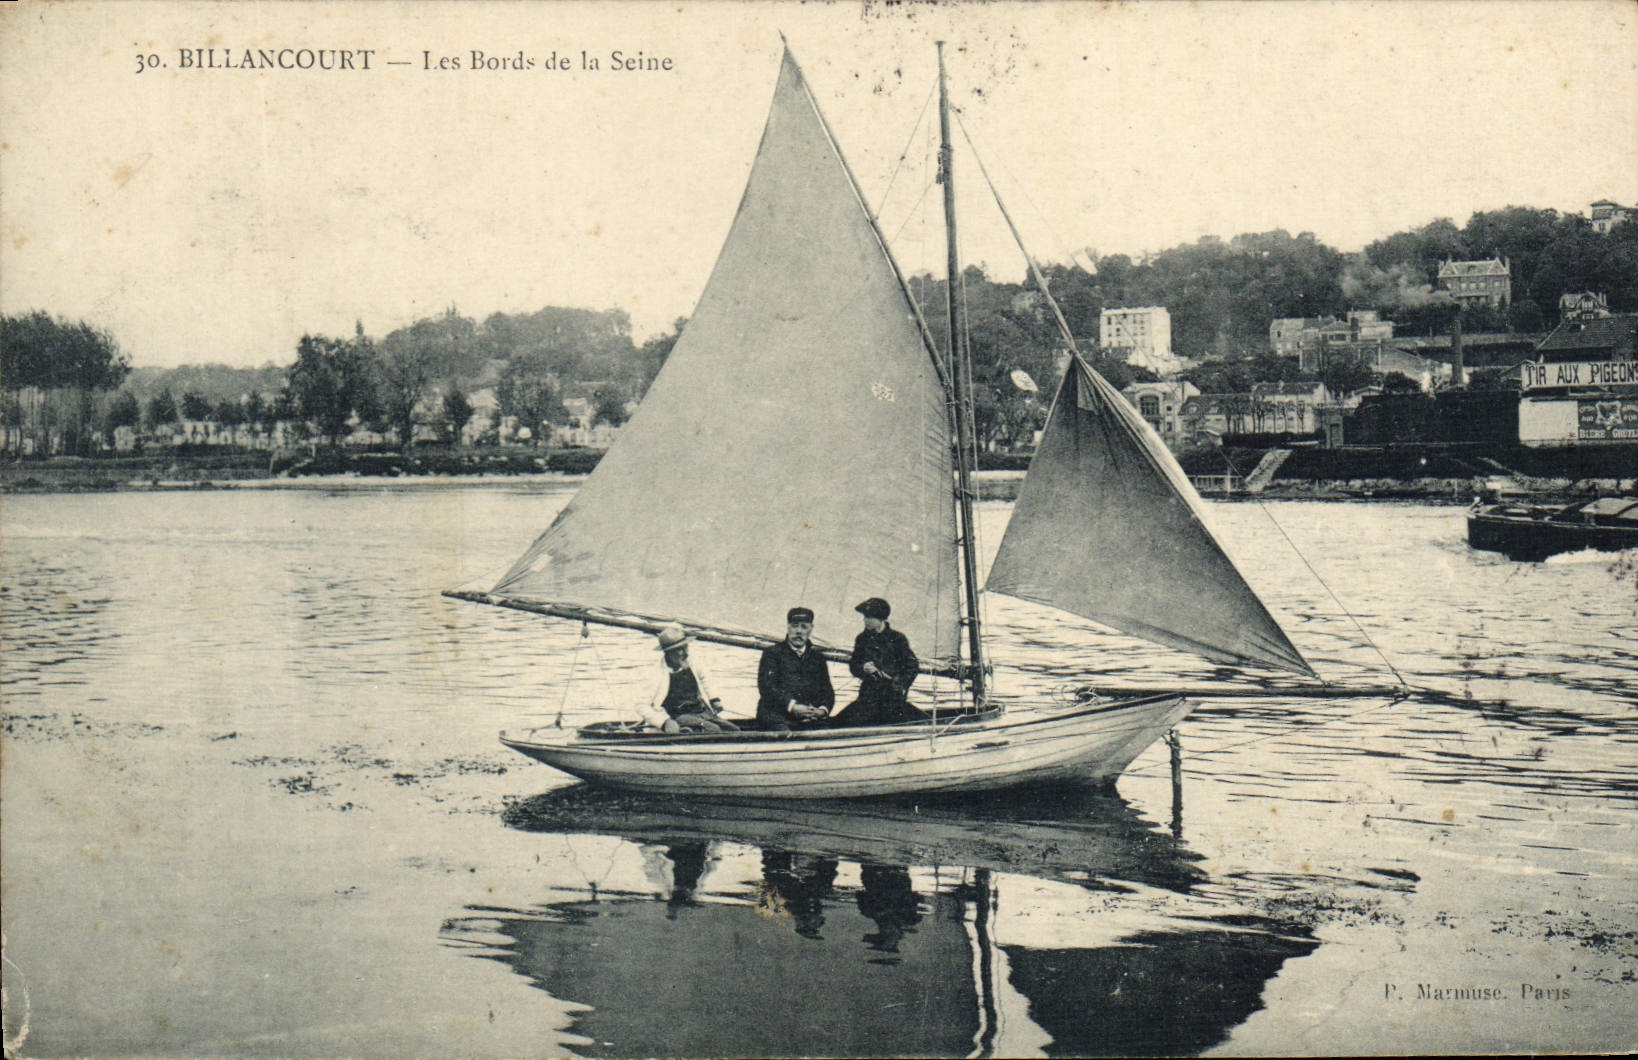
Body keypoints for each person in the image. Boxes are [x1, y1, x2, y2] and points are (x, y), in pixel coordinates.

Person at [832, 597, 926, 727]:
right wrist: (863, 668)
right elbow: (854, 665)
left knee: (914, 720)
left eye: (870, 617)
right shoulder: (862, 639)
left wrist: (898, 684)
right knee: (840, 722)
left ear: (881, 619)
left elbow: (911, 665)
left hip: (892, 698)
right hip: (868, 698)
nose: (865, 620)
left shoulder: (897, 639)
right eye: (865, 617)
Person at [641, 624, 740, 734]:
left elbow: (705, 678)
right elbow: (641, 705)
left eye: (686, 647)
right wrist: (664, 722)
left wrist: (714, 700)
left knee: (734, 730)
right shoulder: (656, 673)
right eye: (680, 650)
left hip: (701, 712)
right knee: (714, 730)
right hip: (677, 716)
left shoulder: (692, 662)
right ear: (669, 653)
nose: (686, 653)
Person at [756, 606, 834, 731]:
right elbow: (767, 688)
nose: (799, 631)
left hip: (809, 717)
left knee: (827, 735)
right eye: (795, 626)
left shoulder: (818, 658)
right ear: (788, 627)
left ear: (811, 629)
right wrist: (792, 706)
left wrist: (822, 710)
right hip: (777, 716)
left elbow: (827, 691)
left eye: (804, 627)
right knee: (784, 734)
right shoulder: (772, 653)